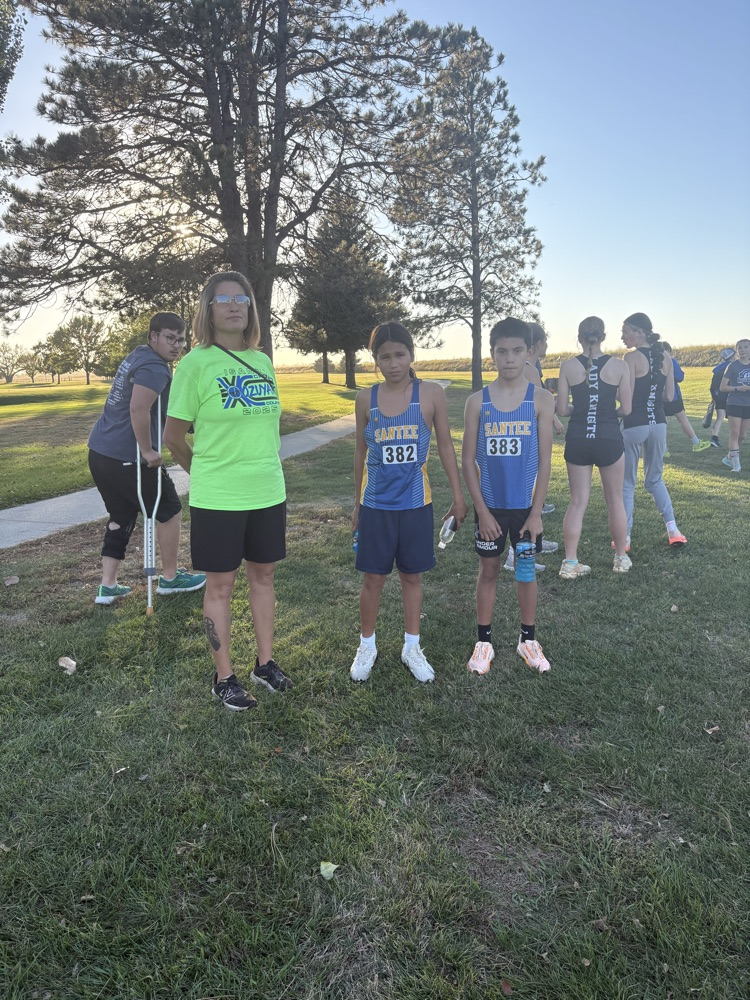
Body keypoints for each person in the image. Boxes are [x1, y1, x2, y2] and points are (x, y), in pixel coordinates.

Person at [163, 272, 292, 712]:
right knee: (220, 584)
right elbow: (174, 435)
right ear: (209, 308)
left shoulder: (263, 360)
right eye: (224, 299)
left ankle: (265, 663)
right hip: (219, 496)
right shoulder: (195, 365)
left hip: (267, 490)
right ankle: (225, 677)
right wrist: (203, 472)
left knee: (264, 576)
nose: (235, 305)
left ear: (251, 308)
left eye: (243, 298)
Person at [349, 322, 467, 683]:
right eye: (385, 357)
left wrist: (458, 496)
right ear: (375, 361)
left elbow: (446, 445)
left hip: (416, 504)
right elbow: (360, 452)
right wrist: (357, 504)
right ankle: (366, 645)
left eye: (400, 354)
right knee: (373, 578)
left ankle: (411, 646)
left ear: (412, 355)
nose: (394, 363)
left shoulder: (430, 393)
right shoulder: (365, 398)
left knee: (412, 577)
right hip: (376, 506)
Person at [87, 313, 206, 605]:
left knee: (122, 514)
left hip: (100, 452)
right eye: (170, 338)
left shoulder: (137, 357)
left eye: (181, 340)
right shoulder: (155, 367)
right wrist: (147, 450)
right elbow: (139, 409)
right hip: (128, 458)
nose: (176, 345)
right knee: (169, 509)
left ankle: (108, 586)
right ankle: (169, 578)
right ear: (153, 336)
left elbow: (154, 408)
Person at [462, 317, 554, 676]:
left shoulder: (541, 399)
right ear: (493, 354)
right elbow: (468, 461)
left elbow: (546, 461)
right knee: (489, 569)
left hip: (525, 508)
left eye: (518, 351)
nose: (510, 358)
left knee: (526, 570)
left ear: (529, 352)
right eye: (502, 351)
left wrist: (536, 513)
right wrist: (482, 512)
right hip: (491, 507)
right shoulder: (477, 402)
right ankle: (483, 641)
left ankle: (527, 639)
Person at [556, 317, 633, 577]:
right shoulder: (620, 366)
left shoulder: (567, 366)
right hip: (609, 438)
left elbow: (563, 409)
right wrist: (602, 410)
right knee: (615, 500)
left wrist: (584, 409)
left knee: (577, 502)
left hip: (578, 438)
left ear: (580, 337)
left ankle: (569, 562)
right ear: (603, 336)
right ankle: (620, 559)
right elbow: (627, 409)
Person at [621, 312, 687, 548]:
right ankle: (673, 530)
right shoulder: (665, 357)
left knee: (627, 483)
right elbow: (669, 396)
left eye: (625, 331)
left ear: (640, 333)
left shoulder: (631, 358)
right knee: (655, 479)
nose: (622, 336)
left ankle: (625, 536)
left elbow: (625, 397)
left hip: (634, 424)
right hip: (658, 424)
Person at [658, 343, 711, 455]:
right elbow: (679, 377)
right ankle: (696, 443)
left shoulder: (653, 361)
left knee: (662, 422)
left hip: (659, 395)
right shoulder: (671, 361)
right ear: (668, 350)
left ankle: (663, 449)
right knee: (682, 419)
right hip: (673, 395)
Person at [719, 338, 750, 472]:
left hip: (748, 405)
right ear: (737, 351)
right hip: (734, 403)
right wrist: (738, 388)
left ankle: (729, 457)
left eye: (745, 347)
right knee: (735, 433)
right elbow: (722, 387)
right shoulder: (732, 366)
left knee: (742, 435)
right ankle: (736, 465)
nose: (743, 350)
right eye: (740, 348)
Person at [709, 348, 736, 447]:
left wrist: (714, 397)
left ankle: (714, 438)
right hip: (729, 395)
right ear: (732, 357)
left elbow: (713, 386)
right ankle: (734, 439)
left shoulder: (718, 369)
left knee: (720, 417)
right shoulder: (733, 367)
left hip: (718, 395)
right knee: (733, 419)